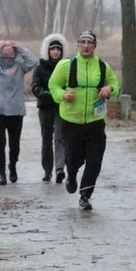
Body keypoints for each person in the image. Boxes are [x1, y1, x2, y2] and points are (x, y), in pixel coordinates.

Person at [48, 30, 120, 211]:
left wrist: (109, 89)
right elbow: (53, 85)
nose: (86, 45)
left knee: (94, 160)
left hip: (95, 122)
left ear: (95, 46)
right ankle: (71, 175)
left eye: (90, 42)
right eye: (83, 42)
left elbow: (116, 85)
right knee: (73, 159)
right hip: (72, 122)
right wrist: (63, 94)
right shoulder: (66, 65)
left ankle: (85, 195)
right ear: (78, 45)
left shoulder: (103, 66)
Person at [0, 40, 37, 185]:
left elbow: (33, 60)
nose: (6, 60)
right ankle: (2, 172)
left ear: (15, 56)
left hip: (16, 111)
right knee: (0, 143)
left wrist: (19, 46)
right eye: (3, 56)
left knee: (14, 144)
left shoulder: (20, 67)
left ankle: (13, 167)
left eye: (10, 57)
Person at [31, 34, 69, 183]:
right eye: (52, 49)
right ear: (47, 51)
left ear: (62, 51)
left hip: (61, 107)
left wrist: (64, 95)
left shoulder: (67, 67)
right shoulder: (40, 68)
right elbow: (35, 87)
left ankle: (60, 169)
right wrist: (49, 94)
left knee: (60, 137)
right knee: (46, 139)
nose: (55, 52)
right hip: (45, 107)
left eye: (58, 49)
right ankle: (47, 170)